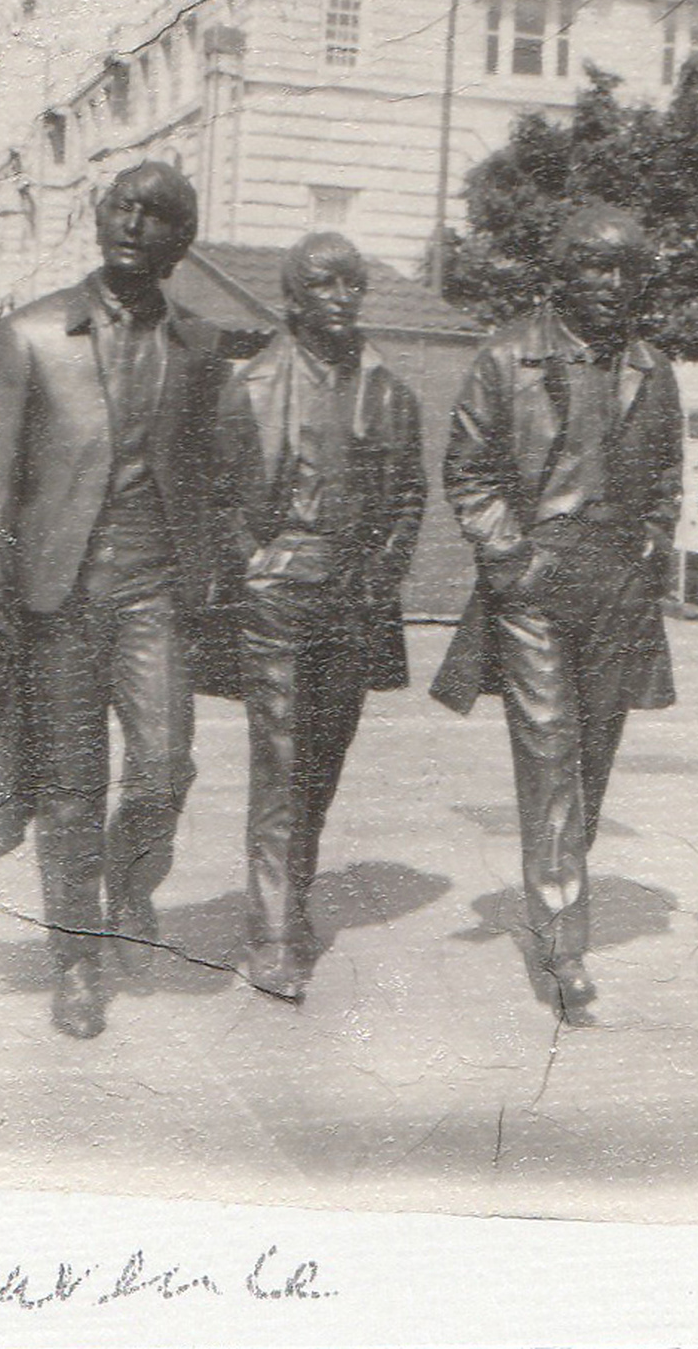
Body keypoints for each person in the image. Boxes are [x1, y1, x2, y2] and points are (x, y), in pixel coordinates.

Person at [0, 163, 261, 1039]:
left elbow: (221, 468)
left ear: (181, 241)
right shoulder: (34, 333)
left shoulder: (200, 349)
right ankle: (76, 961)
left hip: (153, 591)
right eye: (121, 207)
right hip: (57, 593)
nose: (134, 222)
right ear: (98, 219)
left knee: (165, 768)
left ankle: (129, 885)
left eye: (157, 213)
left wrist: (230, 558)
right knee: (70, 788)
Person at [431, 205, 681, 1018]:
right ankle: (563, 942)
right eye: (594, 266)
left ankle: (559, 897)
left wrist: (649, 542)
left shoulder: (654, 366)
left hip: (618, 586)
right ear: (562, 270)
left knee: (592, 761)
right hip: (537, 582)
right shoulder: (507, 356)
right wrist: (512, 558)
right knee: (550, 755)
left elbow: (668, 479)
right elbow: (468, 472)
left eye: (625, 269)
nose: (610, 284)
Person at [230, 233, 425, 1002]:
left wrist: (381, 573)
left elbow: (410, 496)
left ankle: (290, 896)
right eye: (326, 283)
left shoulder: (388, 390)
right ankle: (273, 933)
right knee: (278, 756)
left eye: (355, 282)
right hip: (277, 591)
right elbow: (219, 494)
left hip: (353, 594)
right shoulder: (249, 384)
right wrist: (254, 566)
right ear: (293, 296)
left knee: (321, 759)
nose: (343, 296)